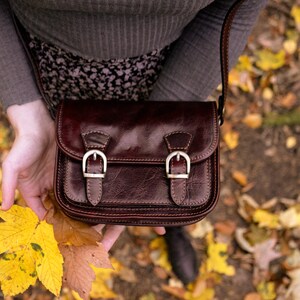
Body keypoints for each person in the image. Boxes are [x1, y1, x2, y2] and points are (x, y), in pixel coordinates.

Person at [0, 0, 267, 285]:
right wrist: (24, 104)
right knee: (72, 169)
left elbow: (237, 7)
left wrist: (164, 118)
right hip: (43, 69)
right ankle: (145, 209)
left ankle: (171, 216)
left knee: (171, 173)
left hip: (175, 67)